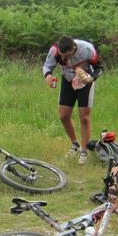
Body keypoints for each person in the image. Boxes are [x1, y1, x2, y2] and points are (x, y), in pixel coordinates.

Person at [42, 35, 103, 164]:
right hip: (68, 80)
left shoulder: (87, 49)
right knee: (63, 116)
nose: (64, 59)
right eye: (62, 56)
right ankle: (75, 144)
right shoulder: (55, 49)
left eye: (67, 56)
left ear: (73, 49)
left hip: (84, 81)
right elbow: (47, 67)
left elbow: (99, 68)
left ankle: (84, 151)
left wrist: (91, 78)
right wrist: (48, 77)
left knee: (84, 117)